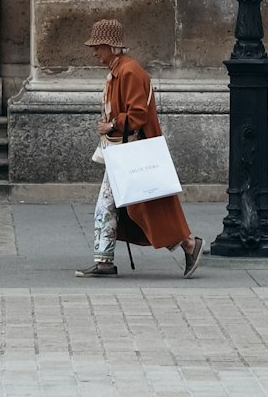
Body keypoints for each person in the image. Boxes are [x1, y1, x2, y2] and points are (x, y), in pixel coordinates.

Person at [75, 18, 205, 279]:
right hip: (125, 150)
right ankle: (104, 261)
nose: (95, 53)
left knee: (125, 207)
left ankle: (188, 243)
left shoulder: (129, 71)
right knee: (121, 206)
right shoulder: (120, 70)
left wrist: (111, 124)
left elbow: (137, 115)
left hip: (131, 150)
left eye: (98, 47)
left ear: (110, 46)